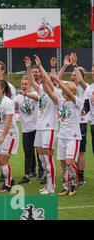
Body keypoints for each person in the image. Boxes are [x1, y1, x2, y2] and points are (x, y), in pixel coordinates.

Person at [26, 55, 59, 195]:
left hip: (49, 128)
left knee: (48, 158)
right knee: (41, 158)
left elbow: (47, 80)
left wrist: (40, 66)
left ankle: (52, 186)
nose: (43, 81)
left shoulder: (55, 93)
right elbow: (32, 82)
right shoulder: (41, 92)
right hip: (40, 128)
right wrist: (28, 68)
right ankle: (47, 183)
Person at [50, 74, 82, 196]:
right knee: (63, 163)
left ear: (73, 91)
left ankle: (74, 183)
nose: (64, 92)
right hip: (62, 136)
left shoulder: (77, 101)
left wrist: (58, 80)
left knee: (69, 162)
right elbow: (50, 94)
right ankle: (65, 186)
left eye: (67, 89)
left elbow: (68, 93)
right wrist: (44, 81)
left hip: (73, 137)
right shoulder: (61, 102)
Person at [60, 53, 88, 187]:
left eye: (75, 75)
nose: (72, 77)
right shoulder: (68, 88)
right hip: (68, 126)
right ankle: (70, 178)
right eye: (71, 75)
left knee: (81, 150)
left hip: (80, 123)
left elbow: (80, 80)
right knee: (69, 155)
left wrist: (75, 64)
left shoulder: (84, 87)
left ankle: (80, 176)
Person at [0, 80, 19, 192]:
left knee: (3, 160)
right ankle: (10, 178)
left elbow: (9, 120)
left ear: (2, 89)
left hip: (10, 134)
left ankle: (8, 185)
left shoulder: (8, 102)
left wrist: (3, 136)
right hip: (0, 134)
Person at [13, 76, 39, 184]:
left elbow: (36, 98)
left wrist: (26, 94)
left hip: (36, 128)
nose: (23, 86)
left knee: (40, 153)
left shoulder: (35, 94)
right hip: (25, 130)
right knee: (27, 153)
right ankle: (27, 175)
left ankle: (42, 173)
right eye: (22, 84)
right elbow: (11, 103)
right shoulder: (18, 97)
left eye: (26, 84)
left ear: (30, 85)